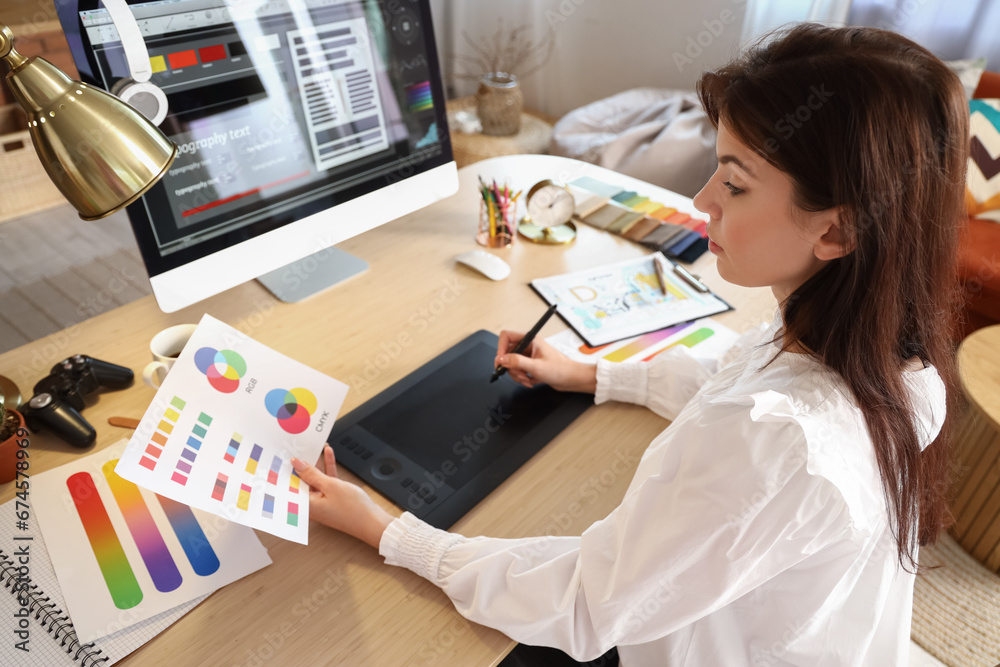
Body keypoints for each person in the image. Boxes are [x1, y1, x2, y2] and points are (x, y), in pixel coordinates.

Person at [291, 23, 968, 666]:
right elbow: (736, 375)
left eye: (734, 182)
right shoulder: (897, 363)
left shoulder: (777, 443)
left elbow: (584, 604)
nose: (704, 199)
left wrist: (390, 531)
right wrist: (596, 375)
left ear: (837, 233)